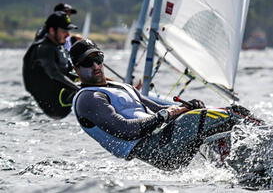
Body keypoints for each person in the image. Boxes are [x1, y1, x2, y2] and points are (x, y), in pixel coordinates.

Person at [70, 39, 216, 170]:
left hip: (165, 136)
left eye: (98, 58)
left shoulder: (122, 87)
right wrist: (164, 115)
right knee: (219, 118)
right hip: (157, 151)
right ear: (76, 69)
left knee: (213, 115)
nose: (96, 66)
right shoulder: (88, 99)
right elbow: (124, 130)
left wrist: (186, 108)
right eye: (88, 62)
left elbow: (159, 110)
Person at [23, 11, 80, 119]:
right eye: (64, 31)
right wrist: (78, 89)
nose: (67, 34)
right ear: (52, 31)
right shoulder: (44, 48)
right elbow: (53, 73)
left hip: (62, 103)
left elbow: (68, 71)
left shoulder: (57, 46)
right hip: (49, 110)